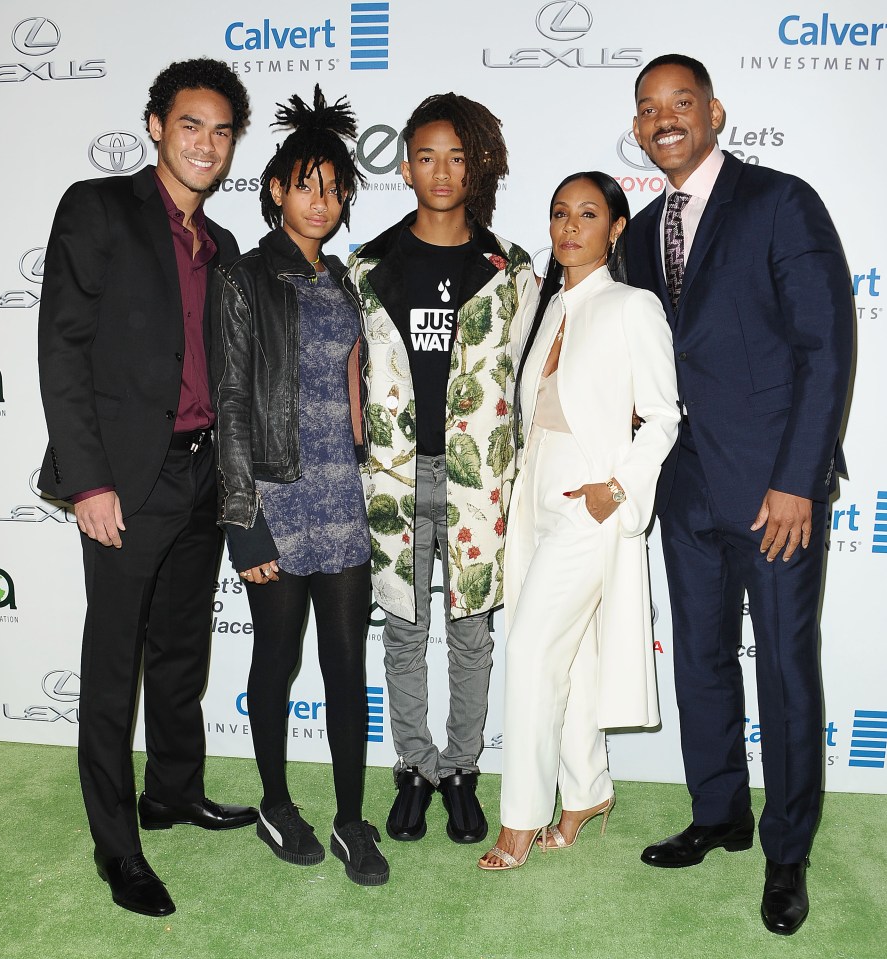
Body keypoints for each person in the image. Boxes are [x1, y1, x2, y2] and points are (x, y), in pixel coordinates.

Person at [627, 54, 854, 935]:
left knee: (786, 671)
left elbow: (824, 347)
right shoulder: (642, 231)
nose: (664, 118)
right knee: (699, 658)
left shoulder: (779, 200)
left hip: (773, 492)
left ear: (714, 112)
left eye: (680, 102)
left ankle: (786, 847)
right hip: (684, 490)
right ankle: (718, 810)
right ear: (638, 129)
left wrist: (797, 478)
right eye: (648, 109)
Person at [37, 59, 257, 918]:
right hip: (127, 479)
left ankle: (174, 790)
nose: (206, 143)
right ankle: (116, 846)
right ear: (157, 126)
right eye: (191, 125)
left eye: (222, 129)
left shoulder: (222, 243)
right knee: (112, 665)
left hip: (202, 471)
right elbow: (63, 351)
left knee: (179, 652)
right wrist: (88, 480)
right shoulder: (98, 208)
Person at [210, 86, 389, 887]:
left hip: (341, 500)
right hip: (276, 503)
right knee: (276, 661)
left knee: (347, 663)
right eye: (304, 184)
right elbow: (231, 408)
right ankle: (275, 804)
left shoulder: (348, 281)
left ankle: (352, 819)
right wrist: (243, 526)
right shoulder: (244, 278)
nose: (320, 200)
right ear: (276, 189)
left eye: (333, 186)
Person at [478, 172, 679, 870]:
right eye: (559, 212)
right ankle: (586, 790)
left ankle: (520, 820)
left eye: (587, 214)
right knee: (572, 657)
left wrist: (617, 488)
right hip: (532, 501)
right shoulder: (544, 302)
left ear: (616, 227)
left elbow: (662, 415)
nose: (569, 227)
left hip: (590, 507)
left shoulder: (632, 305)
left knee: (531, 652)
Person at [349, 93, 536, 844]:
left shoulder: (509, 269)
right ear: (404, 165)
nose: (441, 171)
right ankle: (414, 769)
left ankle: (461, 769)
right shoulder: (368, 266)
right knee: (401, 632)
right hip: (393, 477)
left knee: (470, 634)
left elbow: (529, 379)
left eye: (456, 156)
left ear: (476, 166)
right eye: (426, 156)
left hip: (476, 482)